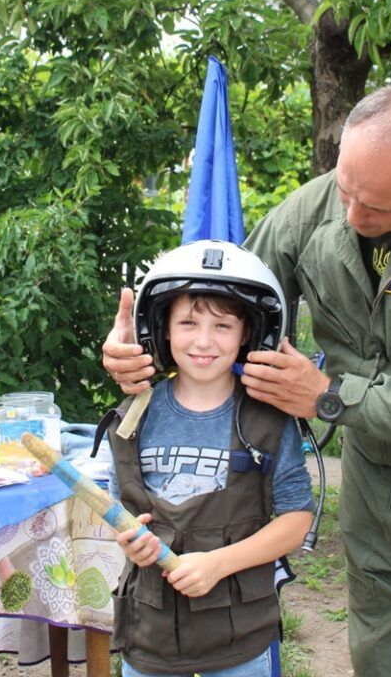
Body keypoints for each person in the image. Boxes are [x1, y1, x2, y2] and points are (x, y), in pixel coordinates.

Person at [103, 84, 391, 677]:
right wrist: (140, 353)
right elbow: (226, 306)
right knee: (385, 658)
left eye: (376, 207)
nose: (351, 215)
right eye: (345, 188)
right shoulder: (315, 206)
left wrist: (327, 396)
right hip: (373, 478)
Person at [104, 240, 313, 677]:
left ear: (247, 334)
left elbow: (297, 519)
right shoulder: (132, 417)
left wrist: (218, 564)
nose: (203, 340)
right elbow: (118, 508)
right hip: (150, 635)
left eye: (222, 325)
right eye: (188, 323)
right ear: (162, 328)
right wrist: (129, 541)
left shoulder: (269, 421)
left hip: (239, 639)